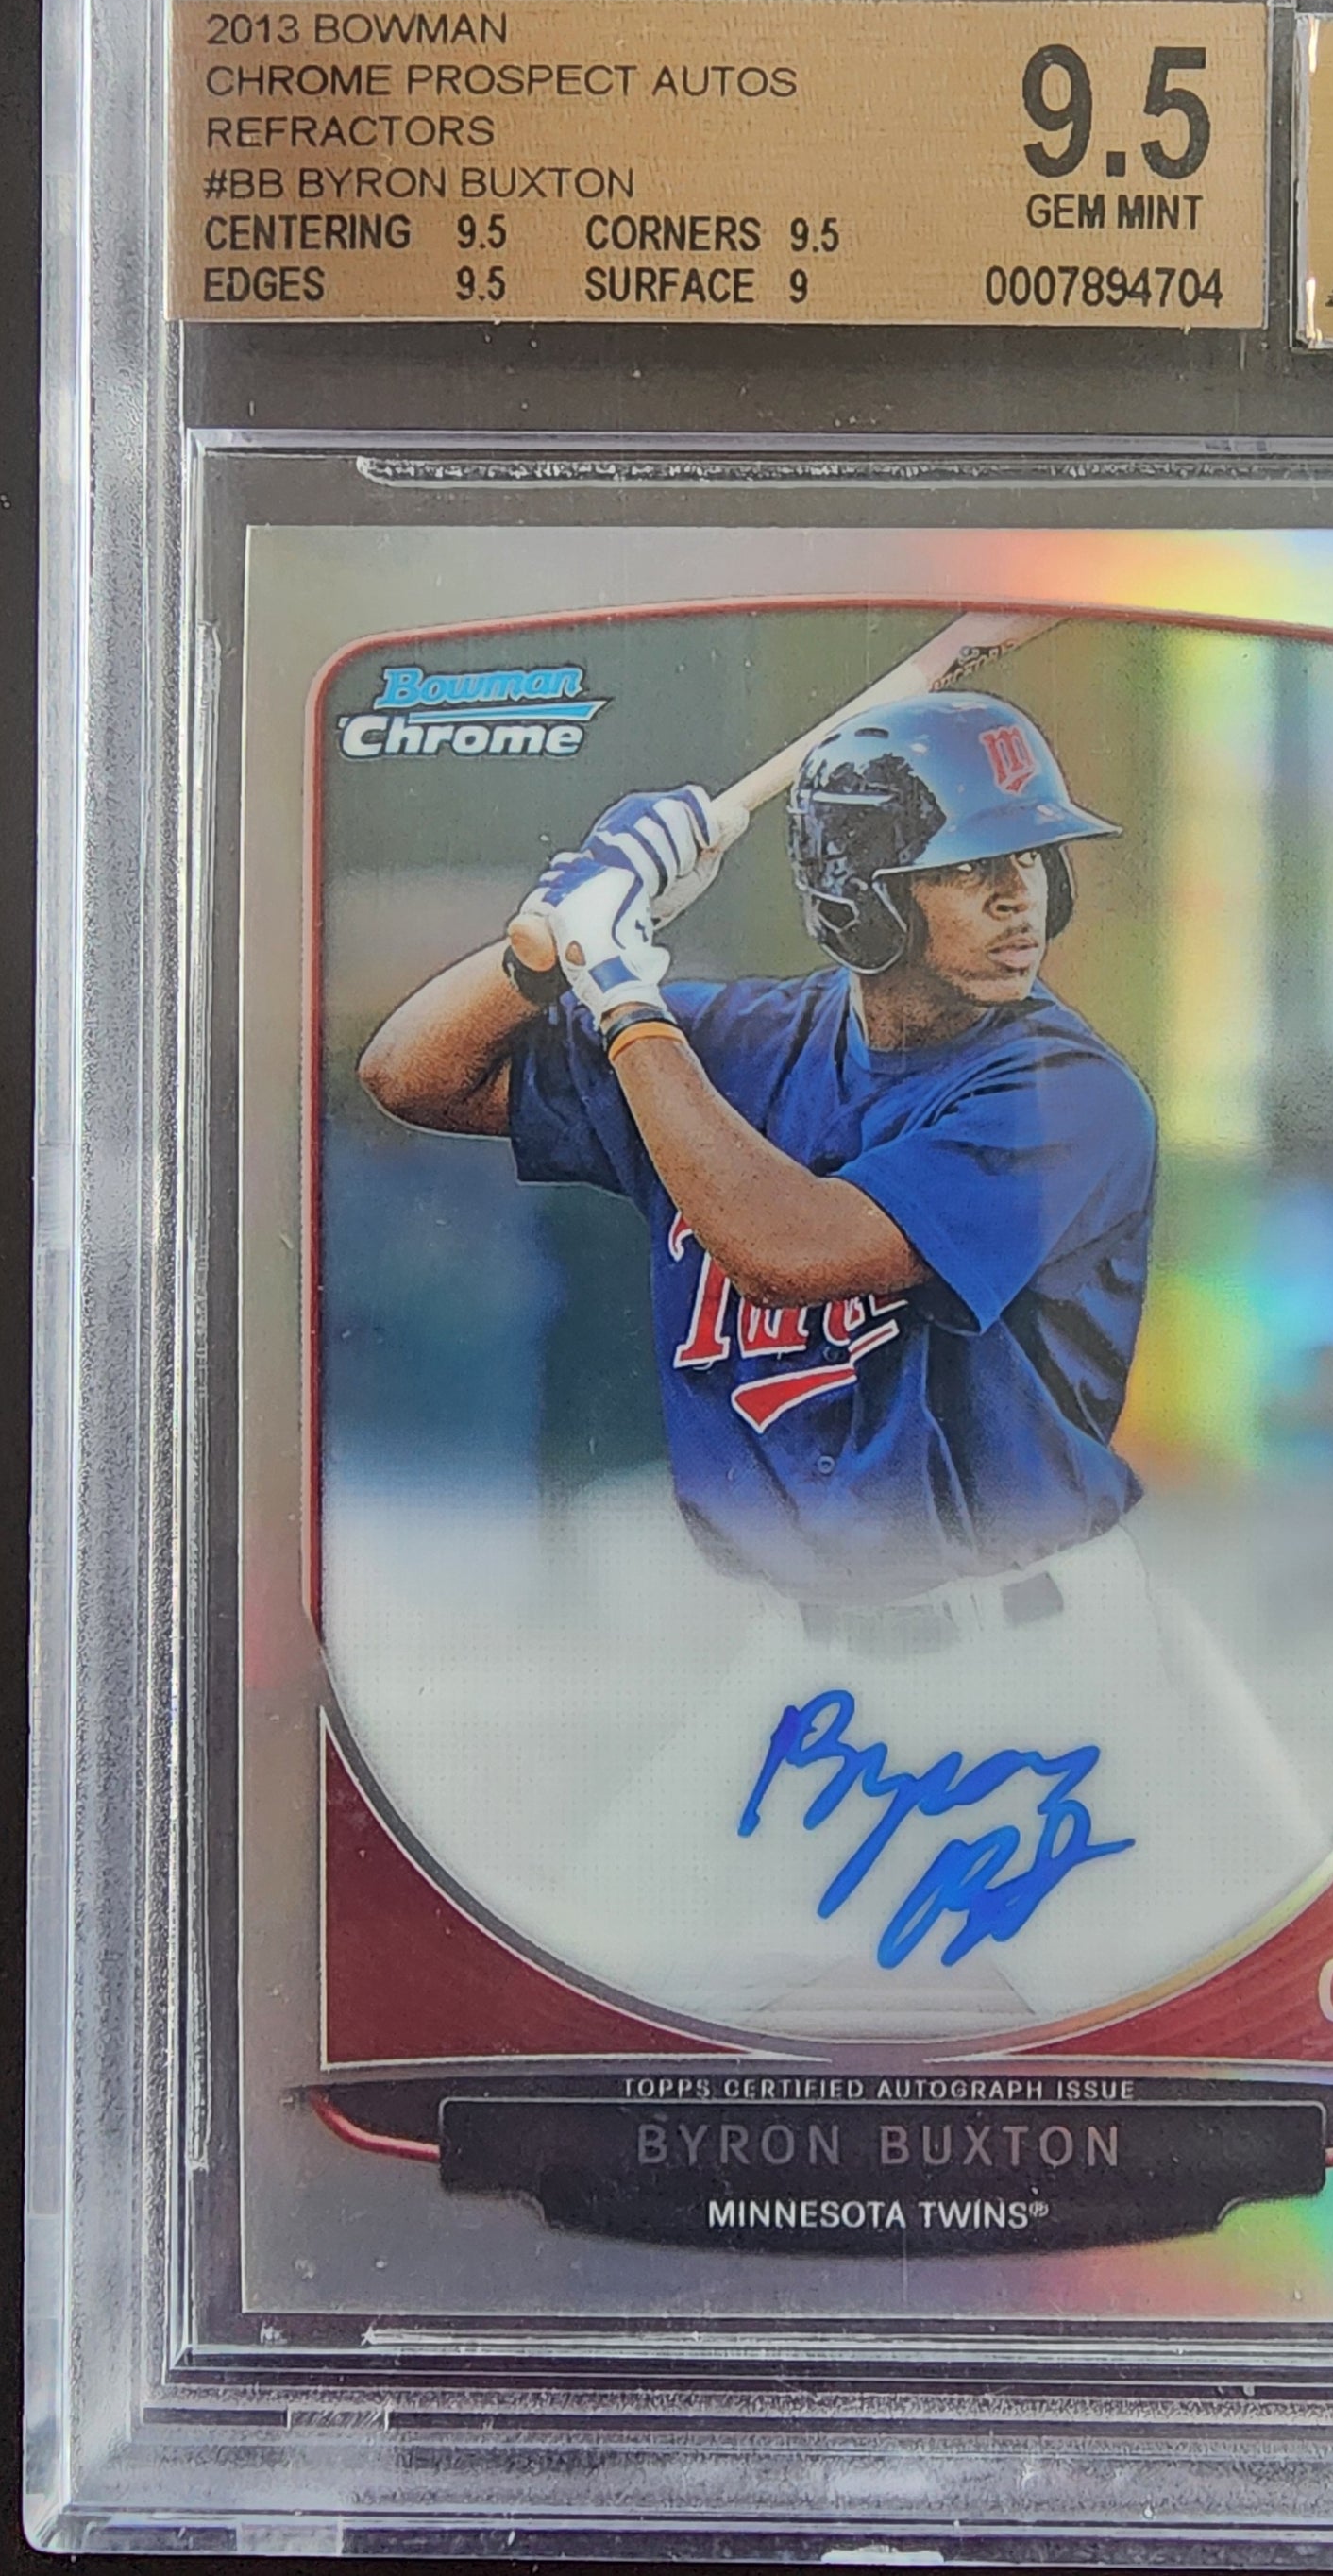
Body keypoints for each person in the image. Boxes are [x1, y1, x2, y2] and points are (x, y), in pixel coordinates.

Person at [359, 693, 1266, 2033]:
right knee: (587, 2012)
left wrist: (625, 998)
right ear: (862, 899)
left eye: (1031, 859)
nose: (1019, 898)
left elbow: (793, 1246)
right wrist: (545, 942)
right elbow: (410, 1074)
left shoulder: (1068, 1094)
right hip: (804, 1670)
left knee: (1192, 2050)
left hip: (1054, 1673)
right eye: (968, 866)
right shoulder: (741, 1044)